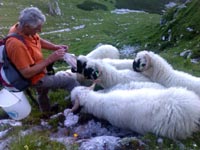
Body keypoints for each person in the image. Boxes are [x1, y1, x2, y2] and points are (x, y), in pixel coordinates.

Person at [5, 7, 80, 115]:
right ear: (26, 26)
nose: (40, 31)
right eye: (37, 29)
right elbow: (26, 73)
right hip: (35, 78)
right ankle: (78, 109)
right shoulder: (16, 45)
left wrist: (55, 47)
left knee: (42, 93)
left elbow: (37, 39)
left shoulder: (22, 28)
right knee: (71, 82)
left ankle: (46, 112)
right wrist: (51, 59)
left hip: (39, 71)